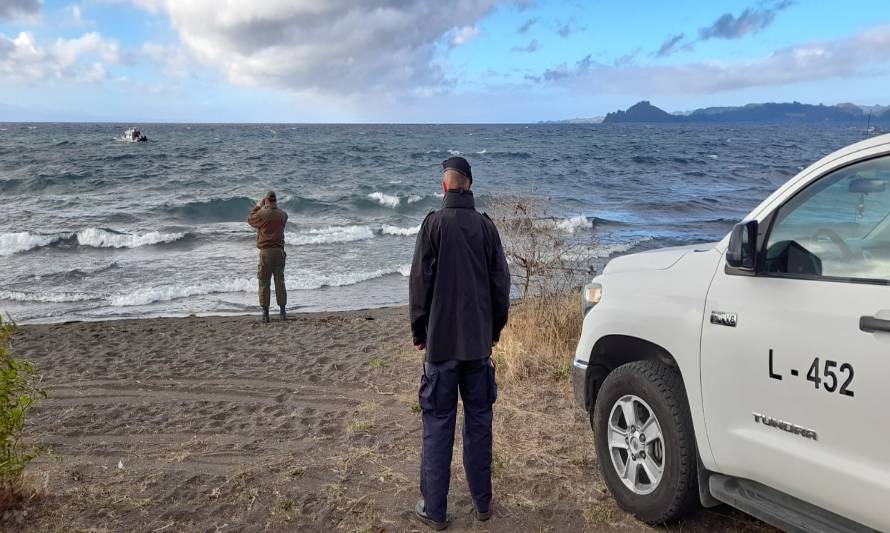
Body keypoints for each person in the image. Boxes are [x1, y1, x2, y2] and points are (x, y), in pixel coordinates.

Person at [409, 156, 511, 530]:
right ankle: (482, 504)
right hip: (477, 348)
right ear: (469, 185)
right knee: (480, 424)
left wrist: (419, 332)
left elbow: (420, 283)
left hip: (441, 346)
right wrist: (494, 330)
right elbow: (501, 284)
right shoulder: (486, 228)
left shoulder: (433, 225)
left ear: (444, 186)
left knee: (437, 425)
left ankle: (435, 511)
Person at [247, 191, 288, 323]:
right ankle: (282, 312)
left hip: (266, 252)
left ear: (266, 200)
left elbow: (250, 220)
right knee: (280, 282)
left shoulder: (262, 213)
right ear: (275, 201)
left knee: (264, 282)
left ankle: (265, 314)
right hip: (279, 251)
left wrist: (258, 206)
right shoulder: (283, 214)